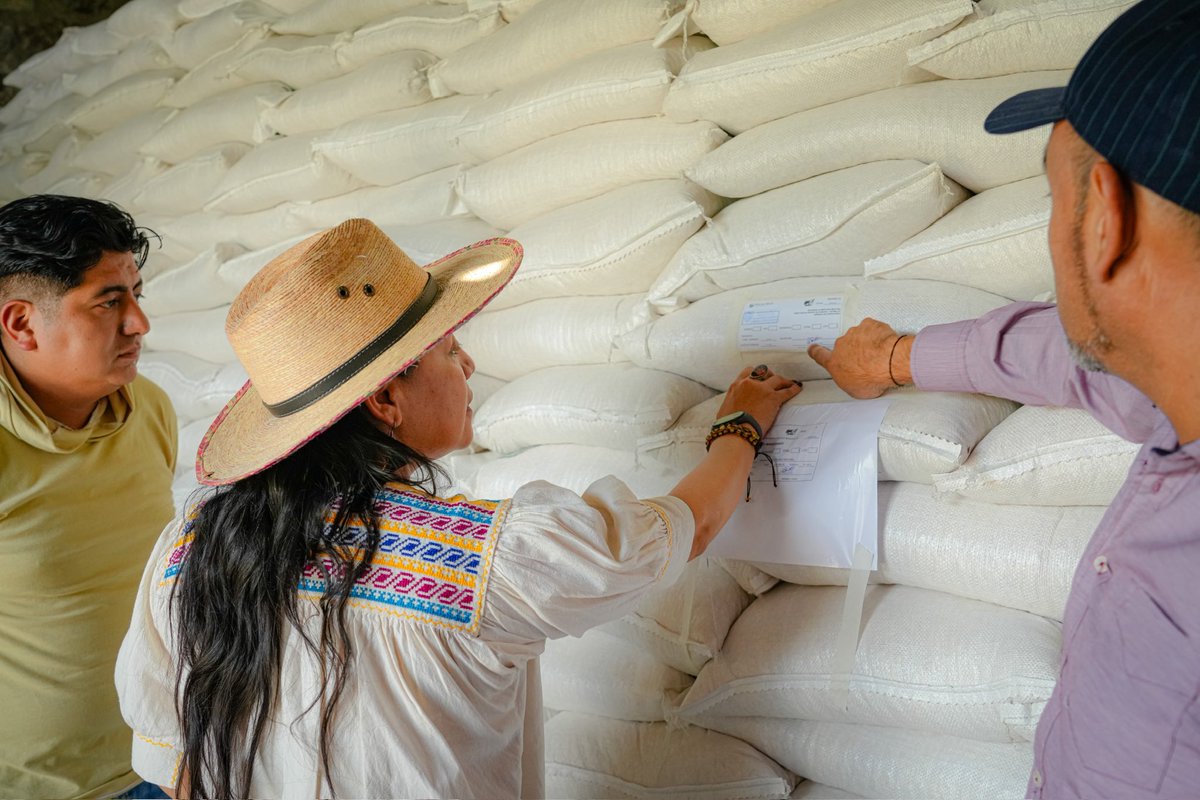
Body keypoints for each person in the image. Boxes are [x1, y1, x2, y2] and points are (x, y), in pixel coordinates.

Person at [115, 218, 801, 799]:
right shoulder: (481, 560)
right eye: (447, 349)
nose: (468, 365)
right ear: (387, 399)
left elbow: (173, 765)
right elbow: (686, 526)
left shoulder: (191, 544)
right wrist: (739, 428)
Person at [809, 1, 1200, 796]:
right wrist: (894, 358)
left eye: (1054, 203)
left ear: (1105, 222)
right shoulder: (1169, 391)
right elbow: (1077, 355)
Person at [0, 195, 176, 799]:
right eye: (108, 302)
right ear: (21, 324)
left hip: (168, 761)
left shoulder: (148, 407)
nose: (138, 323)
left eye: (136, 294)